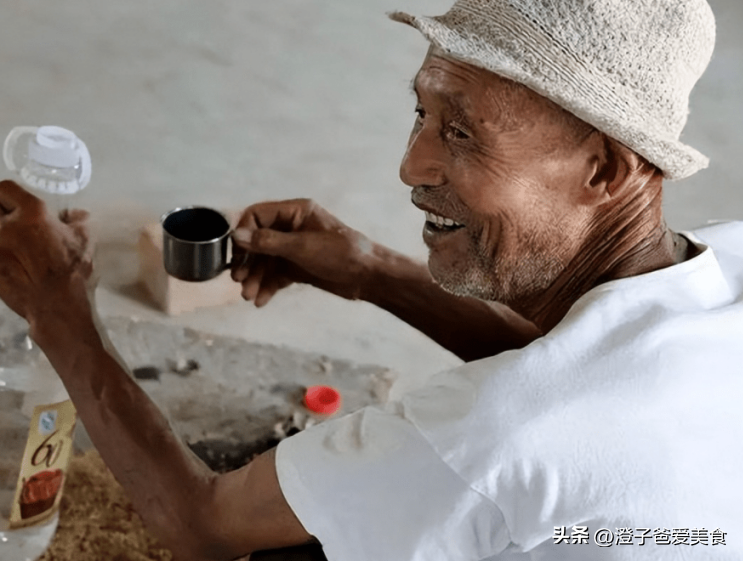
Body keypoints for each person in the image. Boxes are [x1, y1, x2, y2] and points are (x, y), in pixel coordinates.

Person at [0, 0, 741, 559]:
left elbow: (202, 522)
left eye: (460, 133)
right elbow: (577, 360)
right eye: (421, 111)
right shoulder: (724, 266)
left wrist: (57, 307)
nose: (410, 166)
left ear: (605, 168)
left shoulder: (495, 436)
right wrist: (372, 273)